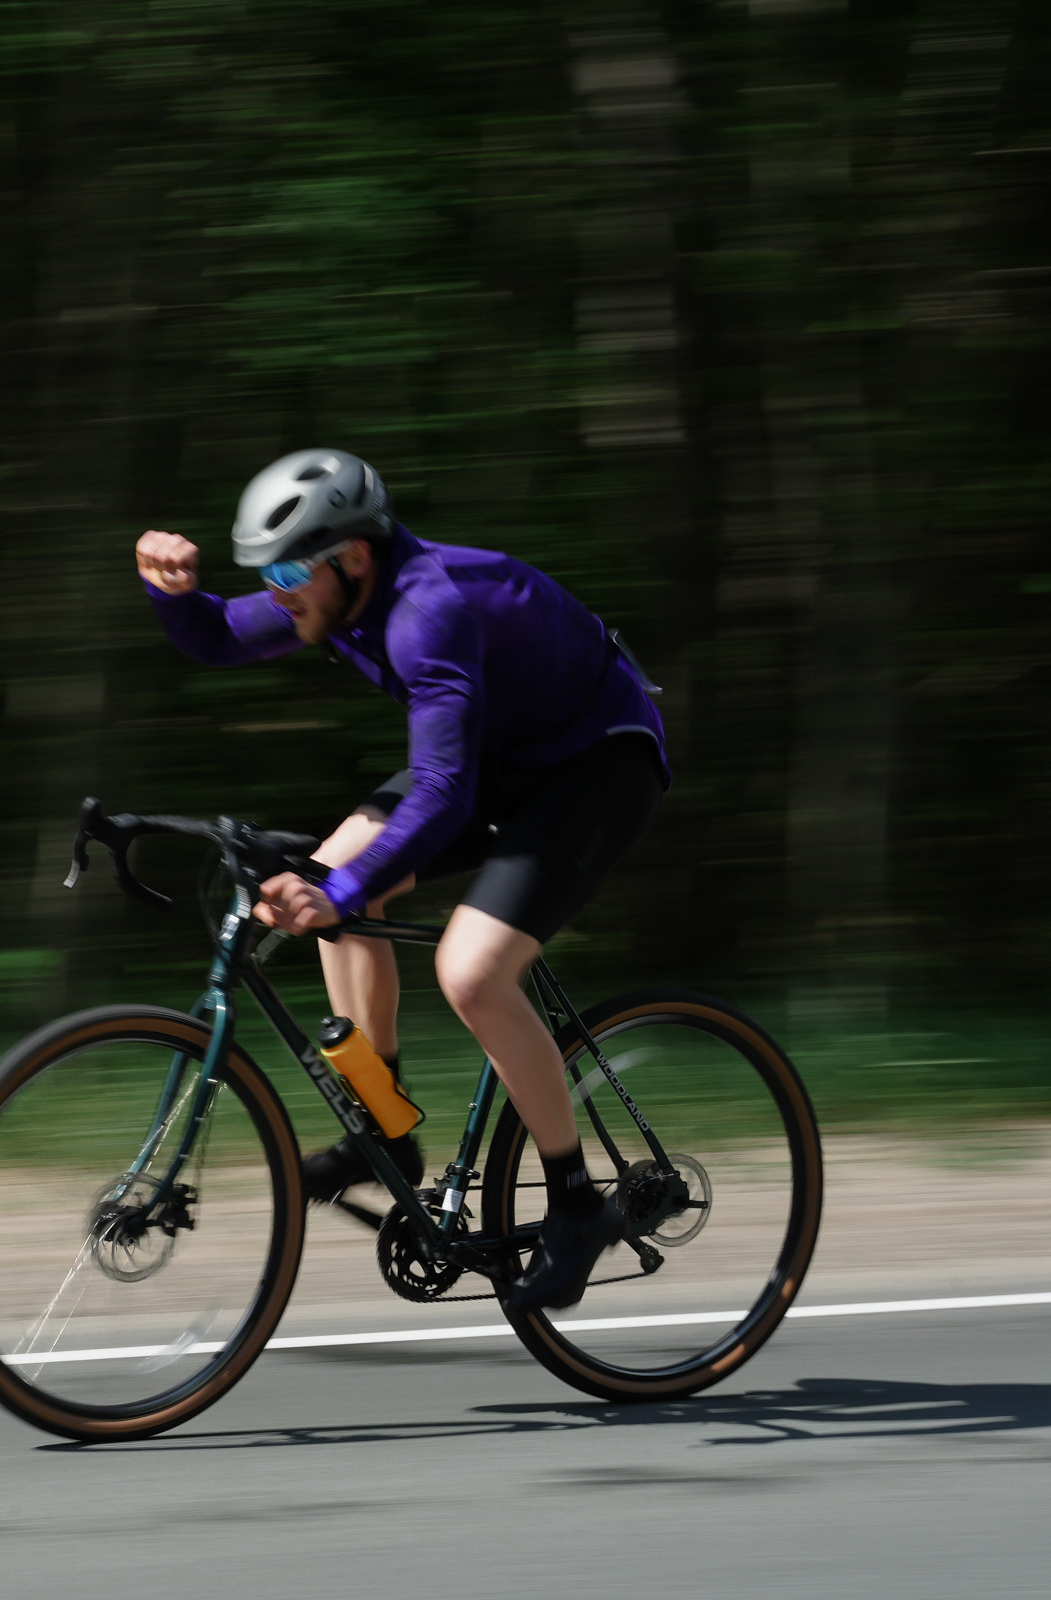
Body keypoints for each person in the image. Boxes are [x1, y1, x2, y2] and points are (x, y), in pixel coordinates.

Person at [134, 448, 667, 1312]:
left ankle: (575, 1204)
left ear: (352, 556)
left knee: (468, 969)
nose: (274, 591)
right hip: (507, 759)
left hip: (596, 765)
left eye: (286, 569)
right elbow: (218, 635)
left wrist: (337, 895)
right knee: (331, 874)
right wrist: (171, 590)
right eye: (263, 571)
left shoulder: (428, 612)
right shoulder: (329, 594)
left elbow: (445, 790)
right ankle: (383, 1122)